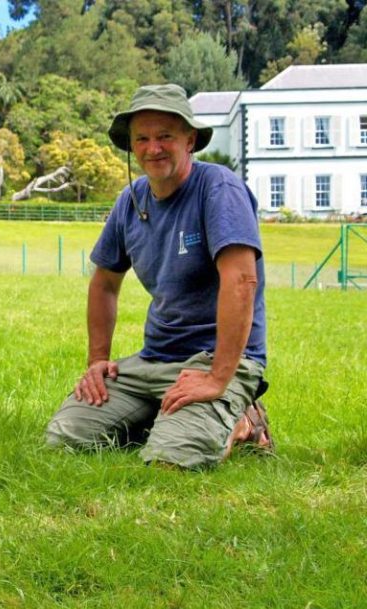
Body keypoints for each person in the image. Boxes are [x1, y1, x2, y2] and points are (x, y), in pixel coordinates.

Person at [44, 84, 273, 469]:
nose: (154, 148)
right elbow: (104, 283)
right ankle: (172, 416)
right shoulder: (131, 201)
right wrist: (97, 361)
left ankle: (243, 419)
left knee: (171, 460)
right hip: (152, 360)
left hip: (215, 359)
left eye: (165, 136)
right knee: (65, 439)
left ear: (190, 140)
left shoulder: (217, 188)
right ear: (132, 146)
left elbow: (241, 281)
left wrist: (217, 378)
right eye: (143, 138)